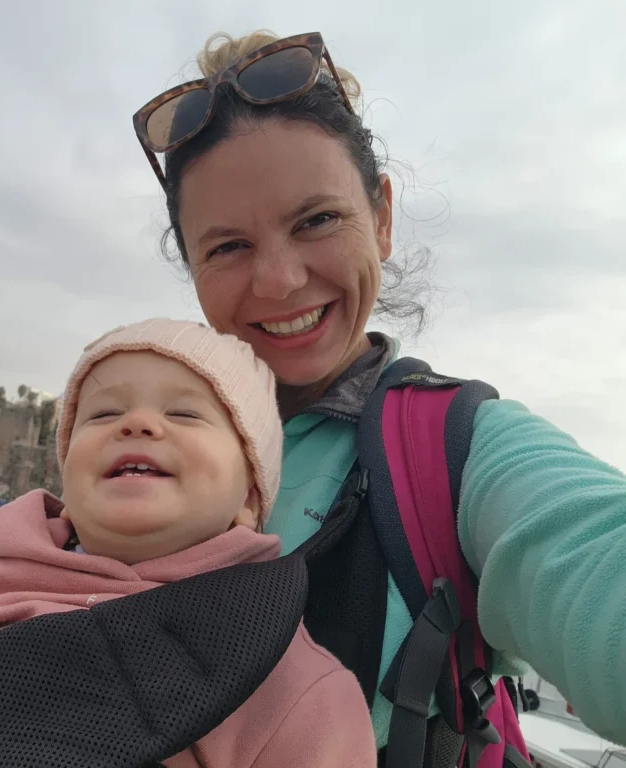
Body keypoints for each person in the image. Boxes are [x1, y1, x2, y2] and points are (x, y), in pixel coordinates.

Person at [131, 27, 626, 758]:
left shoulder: (457, 451)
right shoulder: (144, 431)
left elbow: (587, 551)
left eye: (318, 220)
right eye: (228, 246)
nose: (280, 281)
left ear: (383, 216)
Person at [0, 318, 377, 768]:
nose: (137, 424)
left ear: (250, 495)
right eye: (102, 412)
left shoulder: (292, 681)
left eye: (187, 415)